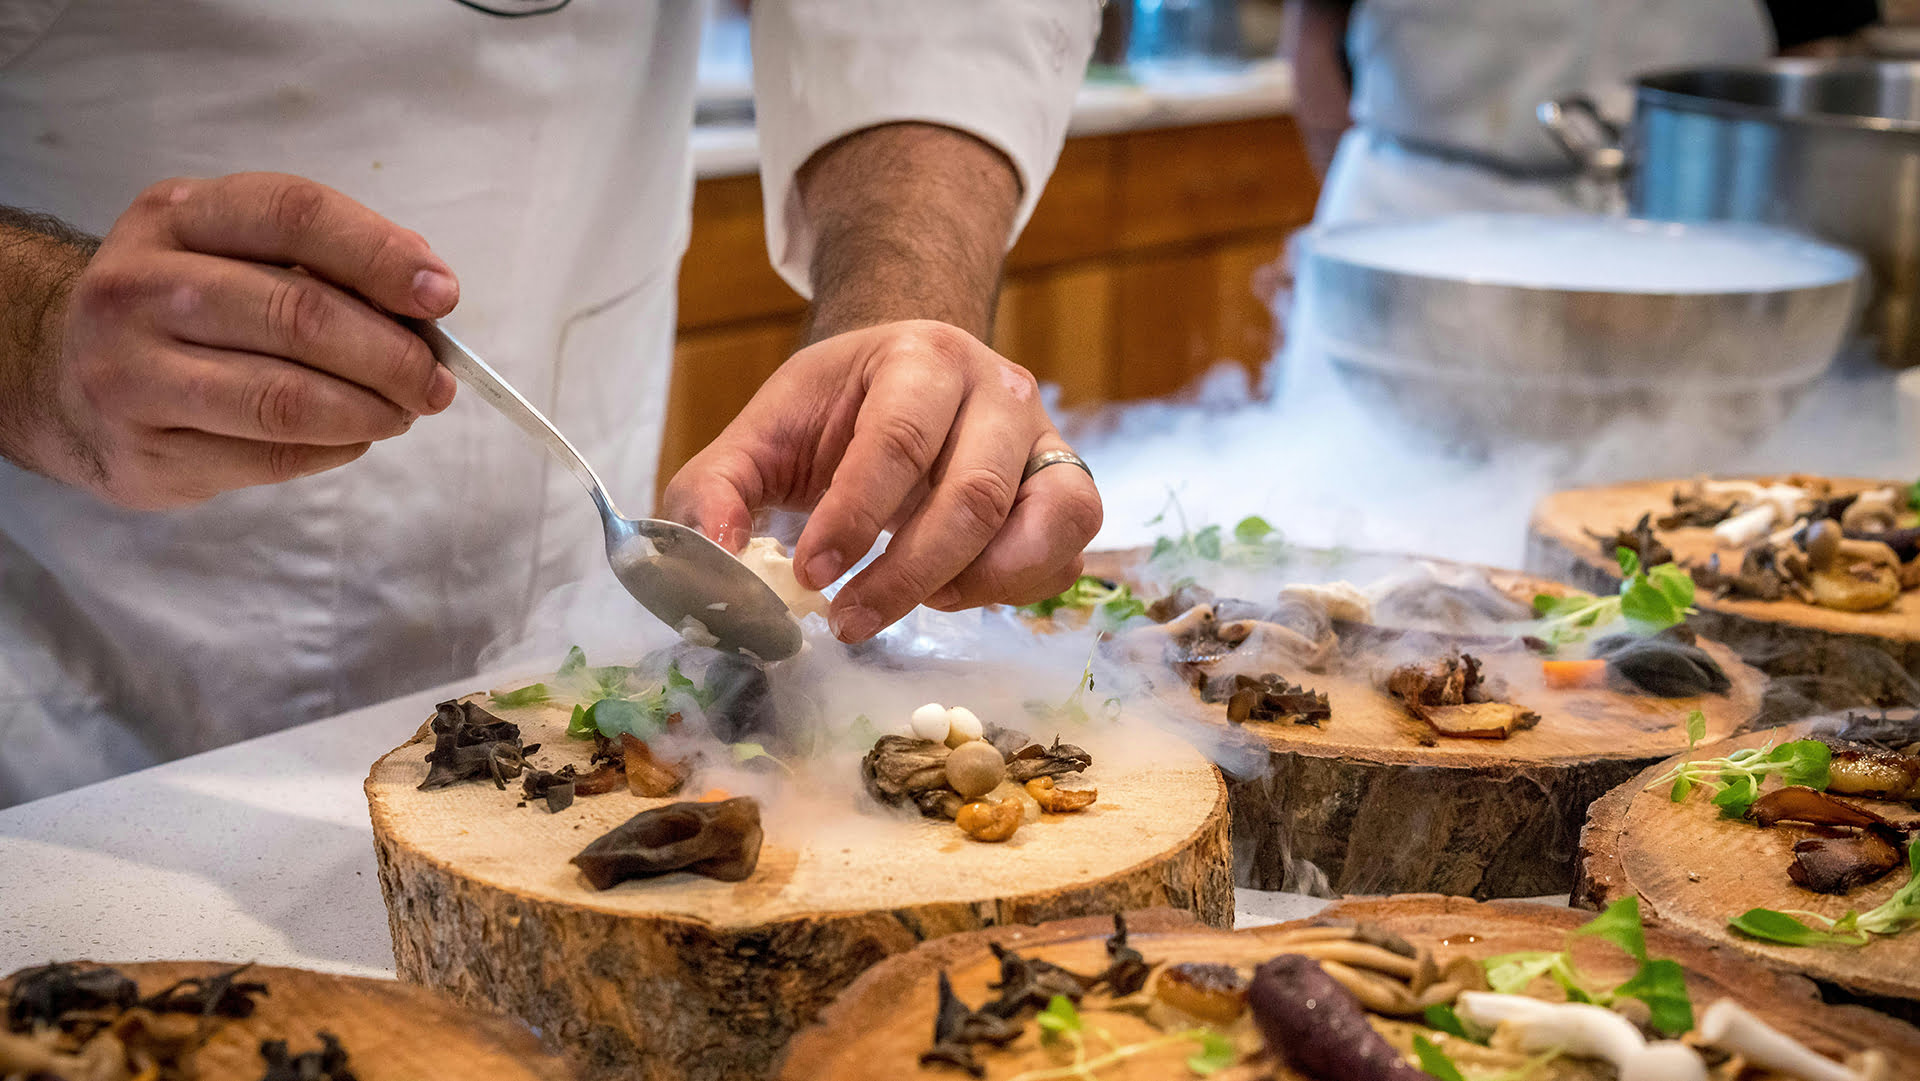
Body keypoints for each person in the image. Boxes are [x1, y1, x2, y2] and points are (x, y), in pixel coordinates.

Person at [0, 0, 1106, 806]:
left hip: (556, 597)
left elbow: (932, 27)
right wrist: (38, 332)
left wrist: (902, 311)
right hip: (87, 710)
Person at [1285, 0, 1881, 225]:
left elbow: (1804, 61)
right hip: (1413, 212)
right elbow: (1313, 34)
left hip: (1679, 232)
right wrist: (1339, 245)